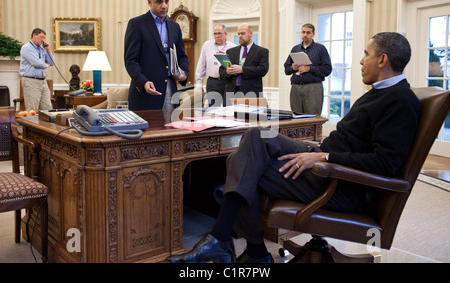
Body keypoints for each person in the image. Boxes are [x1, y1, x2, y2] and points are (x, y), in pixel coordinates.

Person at [168, 32, 421, 263]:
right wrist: (320, 152)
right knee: (257, 135)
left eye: (367, 54)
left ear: (383, 59)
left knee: (240, 168)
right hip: (324, 160)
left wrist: (325, 156)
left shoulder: (400, 101)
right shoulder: (379, 93)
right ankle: (232, 243)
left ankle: (242, 247)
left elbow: (386, 163)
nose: (361, 61)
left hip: (338, 182)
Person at [124, 0, 189, 111]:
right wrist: (143, 82)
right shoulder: (136, 24)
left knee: (171, 130)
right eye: (159, 2)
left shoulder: (174, 26)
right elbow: (130, 61)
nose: (164, 5)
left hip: (170, 89)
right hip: (146, 93)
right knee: (148, 131)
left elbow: (182, 56)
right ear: (149, 2)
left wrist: (184, 74)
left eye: (167, 1)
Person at [285, 23, 332, 115]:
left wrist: (309, 69)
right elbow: (286, 69)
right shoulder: (295, 49)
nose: (305, 35)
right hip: (296, 87)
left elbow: (327, 69)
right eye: (303, 32)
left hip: (313, 88)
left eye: (308, 32)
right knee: (296, 117)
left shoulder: (320, 49)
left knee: (312, 117)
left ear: (313, 34)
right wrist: (292, 68)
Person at [219, 23, 269, 105]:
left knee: (249, 117)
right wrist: (227, 72)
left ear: (251, 33)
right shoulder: (231, 51)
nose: (240, 36)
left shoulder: (262, 51)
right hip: (231, 93)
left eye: (243, 33)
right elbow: (221, 71)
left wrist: (242, 70)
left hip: (251, 92)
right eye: (238, 34)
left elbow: (263, 70)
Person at [195, 24, 236, 107]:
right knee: (212, 109)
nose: (217, 36)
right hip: (212, 82)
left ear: (225, 34)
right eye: (215, 34)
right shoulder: (207, 45)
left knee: (228, 108)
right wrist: (199, 83)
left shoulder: (233, 47)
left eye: (219, 33)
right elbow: (201, 65)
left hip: (227, 81)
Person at [19, 28, 54, 111]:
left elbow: (52, 62)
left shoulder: (42, 49)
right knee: (32, 109)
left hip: (43, 81)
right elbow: (36, 63)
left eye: (44, 38)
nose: (43, 40)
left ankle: (45, 124)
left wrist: (48, 51)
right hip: (31, 81)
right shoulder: (26, 48)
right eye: (41, 37)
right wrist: (46, 65)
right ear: (34, 35)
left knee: (47, 108)